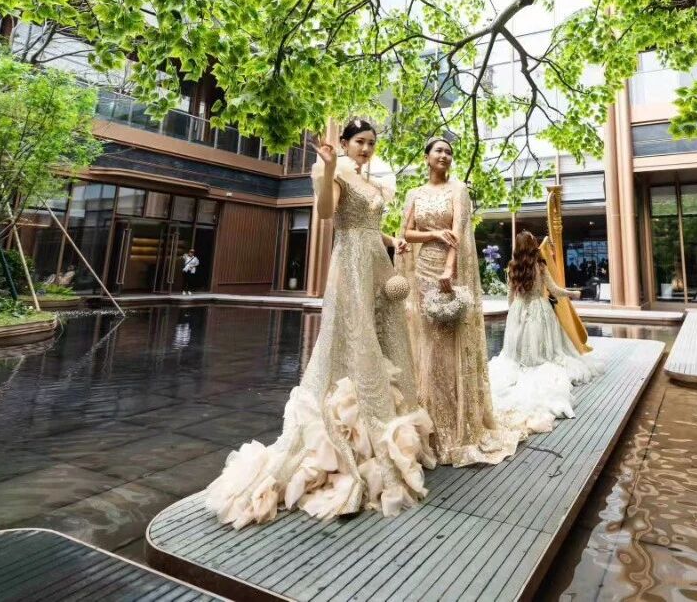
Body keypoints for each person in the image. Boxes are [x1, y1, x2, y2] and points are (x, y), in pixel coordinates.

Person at [205, 118, 434, 527]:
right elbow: (328, 214)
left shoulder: (372, 181)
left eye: (371, 143)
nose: (366, 149)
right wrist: (328, 168)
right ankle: (350, 432)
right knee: (354, 337)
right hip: (350, 267)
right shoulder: (336, 171)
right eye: (359, 142)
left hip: (376, 264)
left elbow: (369, 227)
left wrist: (392, 240)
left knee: (385, 337)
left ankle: (378, 417)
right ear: (344, 143)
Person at [400, 137, 528, 466]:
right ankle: (427, 416)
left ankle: (455, 423)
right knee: (427, 344)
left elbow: (457, 232)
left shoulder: (458, 190)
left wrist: (449, 269)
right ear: (426, 157)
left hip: (448, 271)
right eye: (438, 150)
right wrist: (432, 234)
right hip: (422, 271)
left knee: (447, 344)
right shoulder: (414, 193)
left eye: (449, 152)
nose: (444, 155)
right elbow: (406, 233)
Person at [489, 231, 601, 425]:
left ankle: (524, 362)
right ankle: (538, 360)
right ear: (532, 245)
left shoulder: (513, 266)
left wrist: (512, 314)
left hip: (519, 309)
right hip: (539, 309)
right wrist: (573, 294)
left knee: (519, 349)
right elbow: (554, 290)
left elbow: (510, 294)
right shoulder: (540, 266)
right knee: (544, 348)